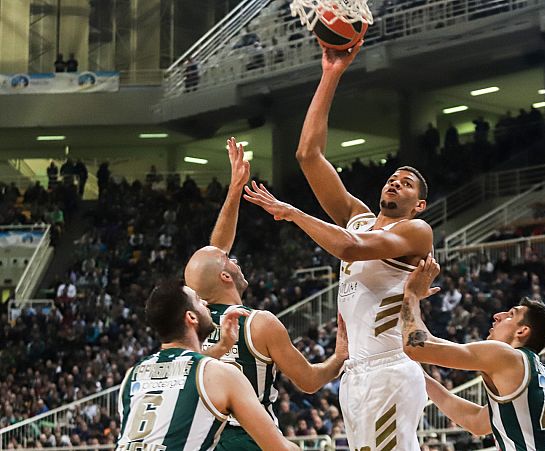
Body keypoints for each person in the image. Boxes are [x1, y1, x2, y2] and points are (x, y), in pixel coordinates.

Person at [244, 42, 433, 451]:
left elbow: (349, 248)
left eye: (408, 182)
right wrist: (331, 74)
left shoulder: (416, 231)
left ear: (418, 203)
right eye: (394, 176)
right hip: (356, 372)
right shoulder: (359, 216)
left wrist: (294, 213)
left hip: (389, 367)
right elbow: (308, 155)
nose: (396, 180)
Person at [184, 137, 348, 451]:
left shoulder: (191, 321)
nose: (235, 259)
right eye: (230, 261)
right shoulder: (259, 324)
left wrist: (234, 190)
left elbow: (215, 253)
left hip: (206, 440)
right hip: (252, 438)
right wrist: (338, 358)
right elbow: (309, 381)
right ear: (224, 275)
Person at [400, 255, 545, 450]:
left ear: (522, 331)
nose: (497, 316)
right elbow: (476, 422)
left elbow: (416, 346)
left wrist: (411, 295)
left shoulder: (507, 356)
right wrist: (421, 375)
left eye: (511, 314)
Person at [116, 278, 299, 451]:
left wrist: (222, 347)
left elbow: (186, 369)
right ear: (191, 318)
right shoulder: (220, 374)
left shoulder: (133, 374)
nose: (205, 304)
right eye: (198, 300)